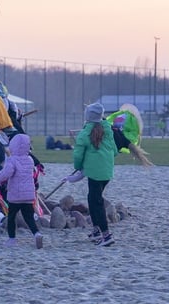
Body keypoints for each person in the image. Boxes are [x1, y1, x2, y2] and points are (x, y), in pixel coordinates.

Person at [68, 102, 118, 246]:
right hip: (106, 172)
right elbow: (114, 151)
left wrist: (78, 167)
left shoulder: (85, 134)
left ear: (88, 117)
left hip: (94, 173)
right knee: (92, 198)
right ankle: (96, 231)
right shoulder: (108, 131)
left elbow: (78, 154)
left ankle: (106, 235)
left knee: (97, 203)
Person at [0, 133, 43, 249]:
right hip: (28, 195)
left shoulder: (12, 160)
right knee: (28, 217)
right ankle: (37, 233)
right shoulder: (30, 160)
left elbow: (5, 174)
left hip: (15, 195)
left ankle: (12, 239)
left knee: (12, 217)